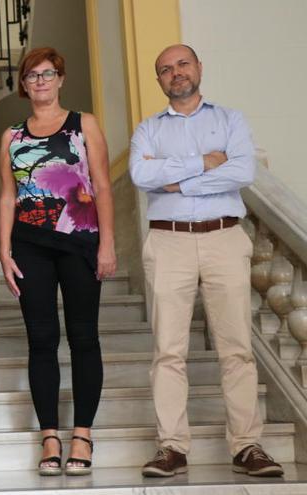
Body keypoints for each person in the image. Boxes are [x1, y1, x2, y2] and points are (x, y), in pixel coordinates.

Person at [130, 44, 283, 478]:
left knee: (237, 348)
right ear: (158, 80)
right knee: (168, 352)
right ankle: (171, 447)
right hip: (168, 243)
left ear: (198, 68)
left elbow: (241, 172)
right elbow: (142, 177)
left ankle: (247, 445)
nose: (175, 73)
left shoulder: (229, 120)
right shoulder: (148, 129)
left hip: (223, 238)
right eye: (165, 69)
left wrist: (176, 182)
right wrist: (203, 164)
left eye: (182, 64)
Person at [0, 47, 116, 476]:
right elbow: (8, 195)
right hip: (30, 246)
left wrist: (108, 245)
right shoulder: (11, 136)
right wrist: (3, 251)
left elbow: (102, 187)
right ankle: (49, 435)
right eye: (32, 76)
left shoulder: (84, 125)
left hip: (82, 242)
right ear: (24, 84)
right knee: (41, 340)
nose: (41, 81)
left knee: (84, 338)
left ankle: (82, 434)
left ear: (61, 79)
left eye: (48, 74)